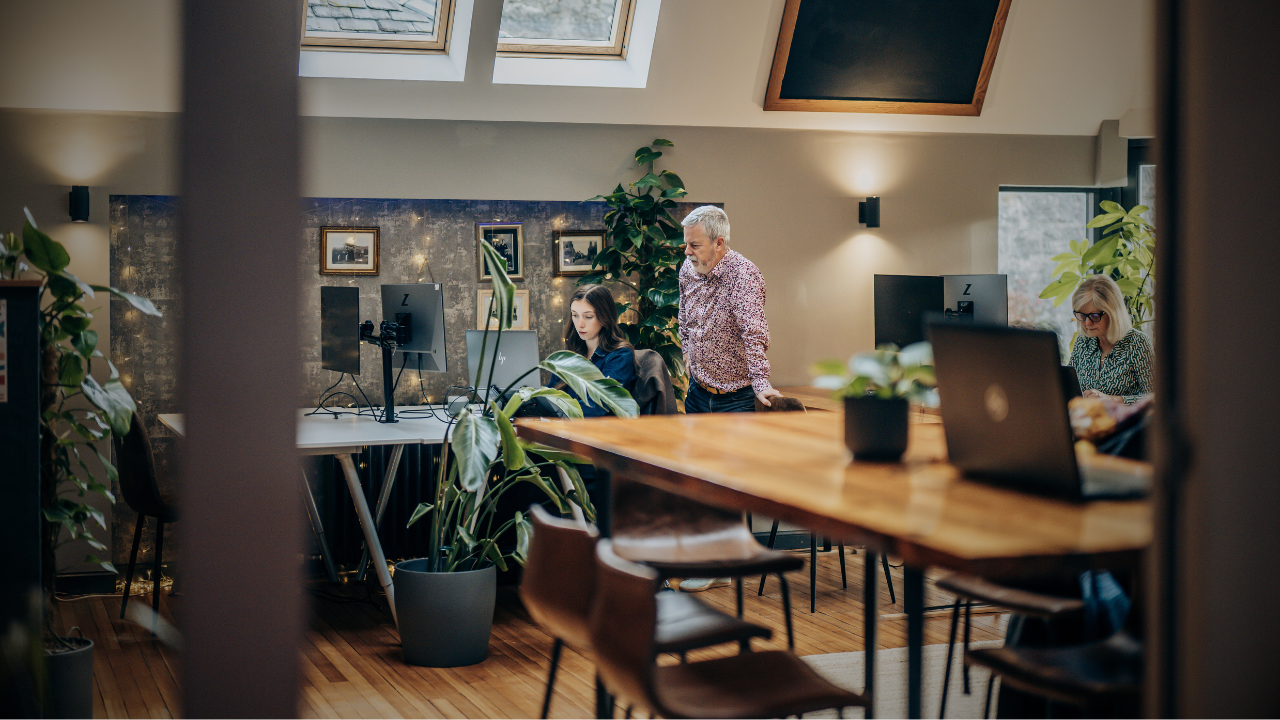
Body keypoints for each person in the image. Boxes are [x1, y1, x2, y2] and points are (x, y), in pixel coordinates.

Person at [678, 205, 781, 414]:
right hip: (696, 394)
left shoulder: (743, 275)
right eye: (686, 244)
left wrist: (761, 381)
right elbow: (684, 314)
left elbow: (754, 334)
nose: (687, 251)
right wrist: (687, 350)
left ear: (719, 243)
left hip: (736, 401)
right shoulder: (688, 268)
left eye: (695, 245)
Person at [549, 284, 635, 417]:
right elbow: (551, 392)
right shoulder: (571, 352)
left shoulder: (621, 356)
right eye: (575, 315)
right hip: (564, 425)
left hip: (598, 429)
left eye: (588, 317)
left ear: (604, 317)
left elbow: (598, 406)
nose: (580, 324)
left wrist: (558, 414)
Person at [1068, 274, 1153, 405]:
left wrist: (1113, 400)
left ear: (1113, 313)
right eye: (1082, 316)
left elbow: (1155, 398)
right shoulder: (1083, 340)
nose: (1087, 323)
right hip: (1088, 415)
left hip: (1125, 418)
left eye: (1094, 316)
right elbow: (1068, 385)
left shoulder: (1138, 343)